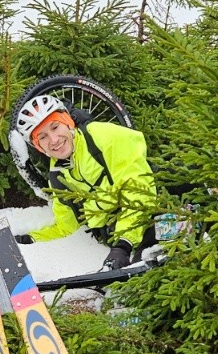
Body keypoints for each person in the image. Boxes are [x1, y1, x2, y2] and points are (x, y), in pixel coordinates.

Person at [11, 94, 158, 270]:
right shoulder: (58, 176)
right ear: (38, 147)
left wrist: (123, 244)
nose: (54, 140)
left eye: (55, 127)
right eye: (42, 137)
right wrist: (32, 238)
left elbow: (140, 189)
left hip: (152, 216)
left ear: (68, 122)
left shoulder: (104, 137)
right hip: (117, 236)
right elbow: (67, 226)